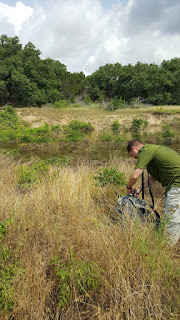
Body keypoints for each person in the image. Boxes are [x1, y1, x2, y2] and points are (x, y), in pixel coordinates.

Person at [126, 139, 180, 245]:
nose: (133, 157)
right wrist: (141, 188)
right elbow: (153, 177)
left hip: (177, 184)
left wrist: (129, 188)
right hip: (177, 184)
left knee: (171, 217)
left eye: (132, 155)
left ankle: (167, 247)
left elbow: (134, 175)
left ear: (133, 148)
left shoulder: (144, 151)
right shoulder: (152, 149)